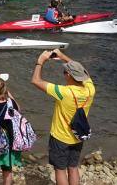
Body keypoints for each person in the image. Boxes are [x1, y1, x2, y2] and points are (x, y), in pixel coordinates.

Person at [31, 49, 95, 185]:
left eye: (65, 72)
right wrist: (62, 56)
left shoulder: (63, 92)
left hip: (60, 138)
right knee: (73, 167)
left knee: (60, 169)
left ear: (70, 76)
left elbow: (35, 81)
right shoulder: (90, 90)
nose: (64, 74)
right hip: (78, 136)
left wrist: (40, 62)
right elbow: (84, 72)